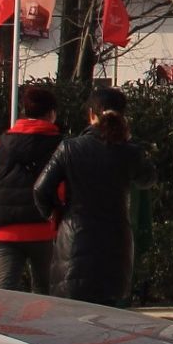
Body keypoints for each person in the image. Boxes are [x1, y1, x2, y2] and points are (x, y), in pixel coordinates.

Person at [33, 86, 152, 306]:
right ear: (123, 115)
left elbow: (40, 189)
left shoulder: (69, 148)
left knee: (72, 322)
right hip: (115, 244)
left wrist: (57, 212)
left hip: (73, 241)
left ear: (91, 115)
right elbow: (148, 178)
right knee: (108, 321)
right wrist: (131, 142)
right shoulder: (130, 152)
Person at [0, 85, 63, 293]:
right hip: (44, 227)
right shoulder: (59, 145)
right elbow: (63, 189)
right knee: (44, 290)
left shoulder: (1, 142)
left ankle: (4, 326)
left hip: (5, 229)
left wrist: (5, 198)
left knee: (6, 289)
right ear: (51, 113)